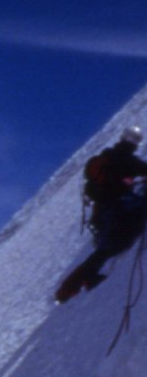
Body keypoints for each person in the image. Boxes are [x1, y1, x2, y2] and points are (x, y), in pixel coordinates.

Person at [56, 124, 147, 302]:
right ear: (135, 144)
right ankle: (73, 287)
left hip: (103, 212)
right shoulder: (126, 159)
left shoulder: (107, 156)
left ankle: (71, 288)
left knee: (104, 250)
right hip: (118, 209)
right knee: (113, 246)